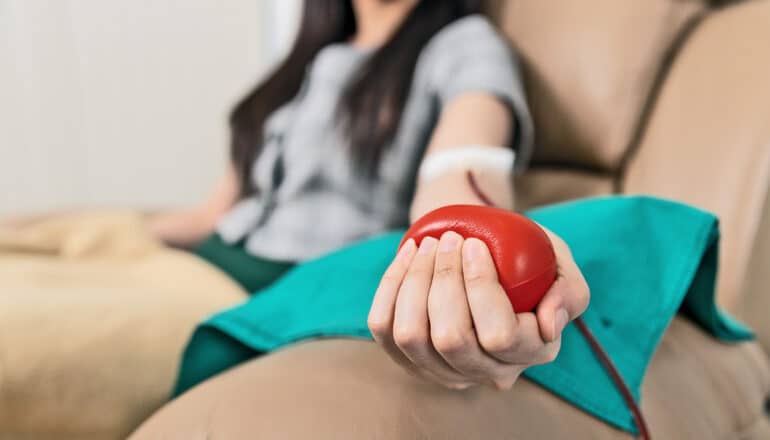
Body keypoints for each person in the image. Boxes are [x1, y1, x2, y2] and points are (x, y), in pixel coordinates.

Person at [146, 0, 589, 393]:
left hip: (296, 282)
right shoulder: (307, 60)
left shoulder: (463, 46)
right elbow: (212, 214)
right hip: (213, 256)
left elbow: (461, 168)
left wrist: (483, 239)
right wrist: (113, 232)